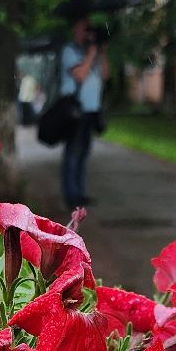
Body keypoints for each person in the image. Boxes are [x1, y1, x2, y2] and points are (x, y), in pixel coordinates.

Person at [59, 16, 106, 209]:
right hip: (74, 112)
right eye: (83, 29)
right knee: (73, 153)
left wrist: (101, 52)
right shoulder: (70, 51)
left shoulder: (91, 53)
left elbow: (105, 75)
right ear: (76, 30)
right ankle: (71, 197)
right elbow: (79, 75)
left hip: (90, 112)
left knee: (84, 152)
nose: (87, 33)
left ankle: (79, 193)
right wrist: (91, 54)